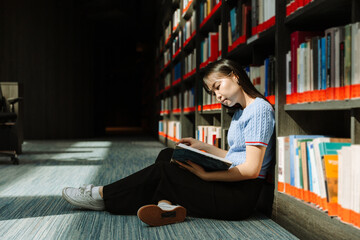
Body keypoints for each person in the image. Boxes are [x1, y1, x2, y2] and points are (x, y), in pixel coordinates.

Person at [62, 58, 275, 227]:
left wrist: (205, 175)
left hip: (239, 198)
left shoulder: (259, 110)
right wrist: (201, 146)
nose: (217, 95)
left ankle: (101, 195)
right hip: (232, 185)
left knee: (165, 171)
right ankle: (166, 205)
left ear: (235, 76)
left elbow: (251, 170)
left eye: (218, 86)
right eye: (213, 92)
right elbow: (235, 156)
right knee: (168, 156)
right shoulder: (241, 112)